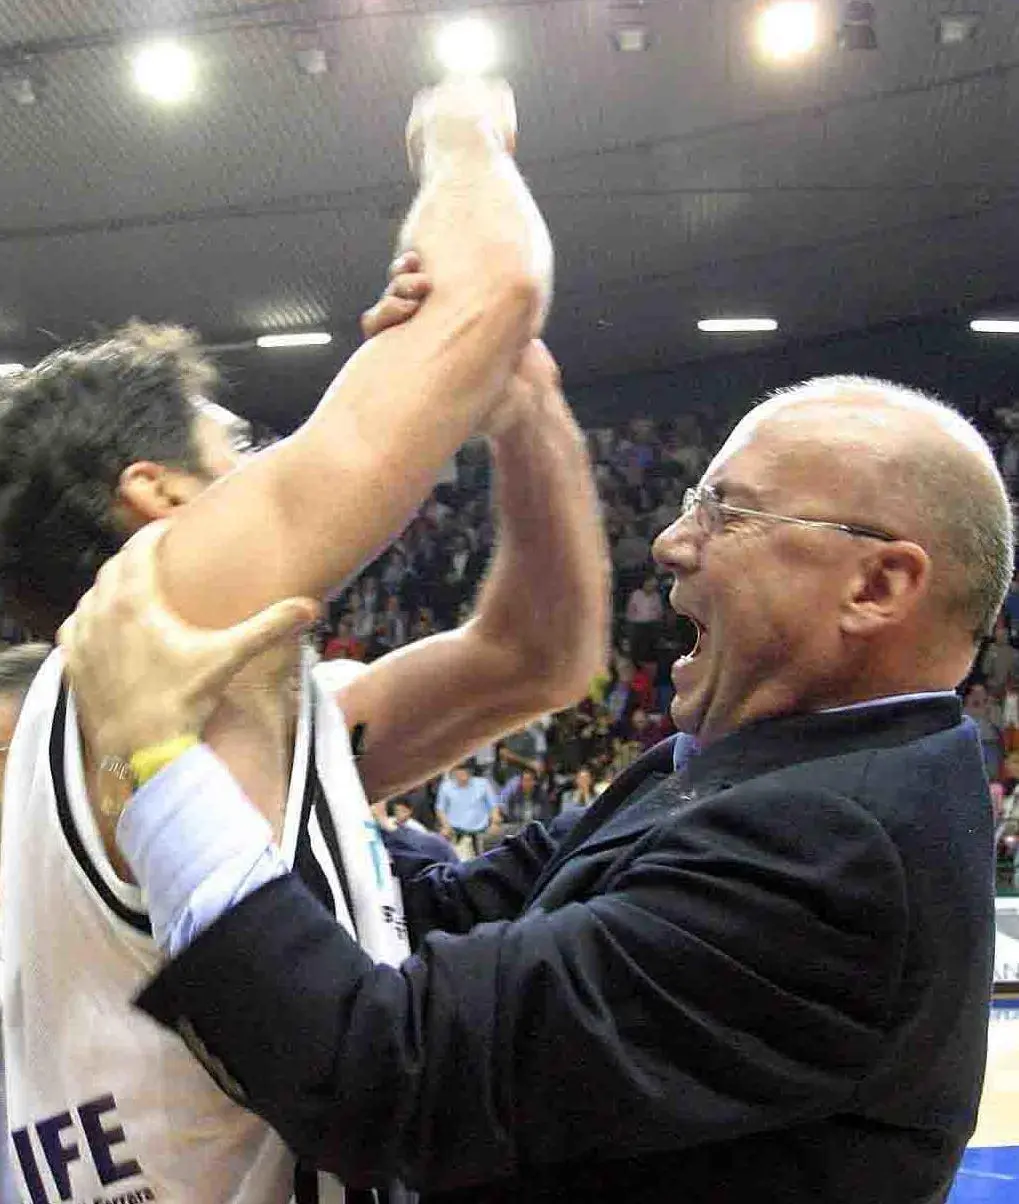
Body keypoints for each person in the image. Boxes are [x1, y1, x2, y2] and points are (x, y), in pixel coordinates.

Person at [62, 373, 1013, 1203]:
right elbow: (430, 909)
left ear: (877, 587)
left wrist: (157, 761)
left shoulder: (834, 855)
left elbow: (390, 1075)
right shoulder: (752, 774)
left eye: (727, 512)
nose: (673, 543)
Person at [1, 78, 607, 1204]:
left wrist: (519, 404)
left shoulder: (175, 701)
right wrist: (459, 119)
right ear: (151, 494)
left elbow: (538, 656)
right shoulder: (168, 587)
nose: (271, 463)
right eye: (235, 445)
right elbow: (496, 277)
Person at [435, 764, 499, 857]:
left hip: (482, 833)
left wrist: (495, 823)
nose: (463, 772)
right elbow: (440, 809)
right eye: (460, 769)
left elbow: (493, 806)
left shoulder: (483, 783)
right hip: (456, 833)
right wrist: (446, 826)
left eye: (465, 769)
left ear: (470, 771)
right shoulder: (445, 787)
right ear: (454, 771)